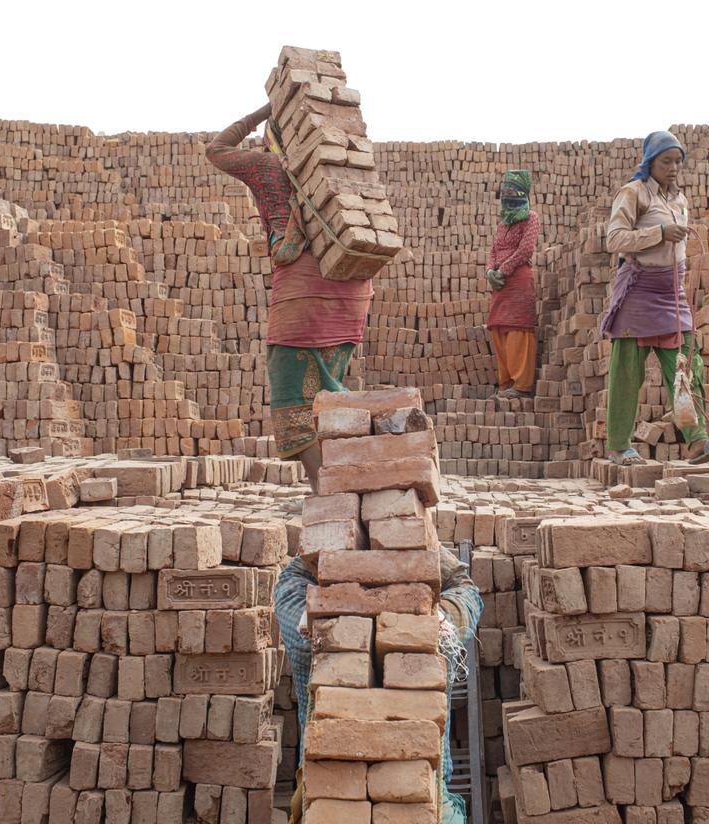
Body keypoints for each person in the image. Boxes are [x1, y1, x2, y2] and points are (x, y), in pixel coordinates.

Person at [206, 104, 373, 490]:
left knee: (293, 405)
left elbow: (215, 149)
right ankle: (359, 488)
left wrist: (265, 108)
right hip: (352, 296)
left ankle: (332, 500)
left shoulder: (267, 168)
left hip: (303, 300)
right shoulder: (332, 170)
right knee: (328, 395)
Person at [274, 547, 483, 824]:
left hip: (421, 778)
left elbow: (466, 590)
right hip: (330, 781)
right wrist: (318, 613)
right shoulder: (313, 561)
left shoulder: (421, 546)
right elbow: (289, 594)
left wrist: (441, 618)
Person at [601, 130, 709, 466]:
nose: (673, 168)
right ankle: (618, 445)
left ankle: (698, 440)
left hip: (671, 293)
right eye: (666, 161)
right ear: (650, 162)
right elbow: (615, 239)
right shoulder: (633, 194)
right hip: (639, 292)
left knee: (688, 366)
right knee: (627, 373)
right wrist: (659, 233)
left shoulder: (680, 200)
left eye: (678, 161)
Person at [485, 170, 541, 399]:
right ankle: (505, 382)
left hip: (518, 280)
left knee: (518, 329)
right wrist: (489, 271)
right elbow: (493, 250)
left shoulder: (531, 218)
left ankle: (521, 384)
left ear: (523, 193)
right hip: (499, 284)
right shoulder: (502, 223)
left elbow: (526, 249)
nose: (507, 194)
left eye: (512, 190)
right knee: (498, 327)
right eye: (504, 190)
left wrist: (503, 270)